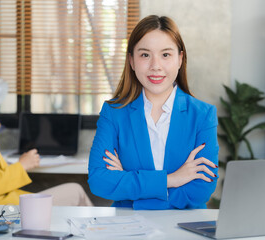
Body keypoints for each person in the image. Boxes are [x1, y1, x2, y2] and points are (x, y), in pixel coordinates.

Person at [88, 15, 219, 210]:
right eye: (145, 55)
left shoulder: (203, 115)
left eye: (165, 55)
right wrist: (172, 179)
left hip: (184, 228)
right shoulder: (114, 112)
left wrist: (128, 184)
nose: (155, 66)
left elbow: (201, 189)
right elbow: (99, 181)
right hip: (128, 227)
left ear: (180, 59)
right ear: (131, 61)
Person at [0, 121, 93, 206]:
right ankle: (100, 227)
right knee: (75, 191)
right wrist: (21, 165)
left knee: (75, 191)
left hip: (9, 201)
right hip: (6, 207)